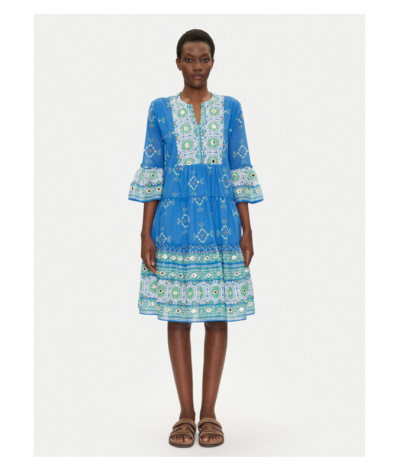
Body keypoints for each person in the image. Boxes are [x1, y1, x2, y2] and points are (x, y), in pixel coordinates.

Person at [127, 29, 264, 448]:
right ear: (178, 63)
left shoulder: (231, 109)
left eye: (204, 59)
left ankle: (210, 414)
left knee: (217, 315)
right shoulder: (160, 110)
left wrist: (247, 228)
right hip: (173, 226)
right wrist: (145, 232)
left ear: (213, 62)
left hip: (221, 225)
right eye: (189, 59)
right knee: (179, 316)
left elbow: (239, 166)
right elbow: (154, 170)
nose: (197, 66)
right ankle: (185, 414)